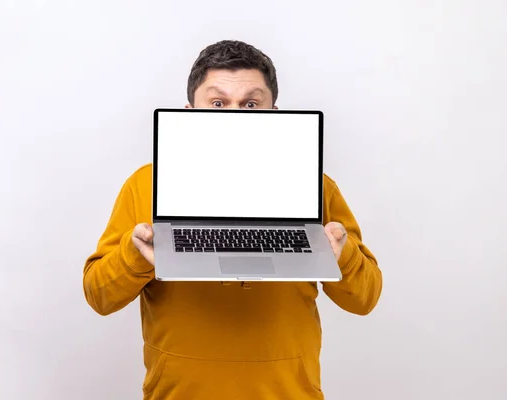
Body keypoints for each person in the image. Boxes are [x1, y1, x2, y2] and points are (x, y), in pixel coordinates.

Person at [83, 40, 383, 400]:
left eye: (251, 104)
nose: (235, 115)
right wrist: (135, 257)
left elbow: (365, 300)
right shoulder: (144, 185)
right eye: (218, 103)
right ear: (190, 111)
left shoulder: (317, 189)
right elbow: (99, 296)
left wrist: (341, 257)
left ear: (274, 112)